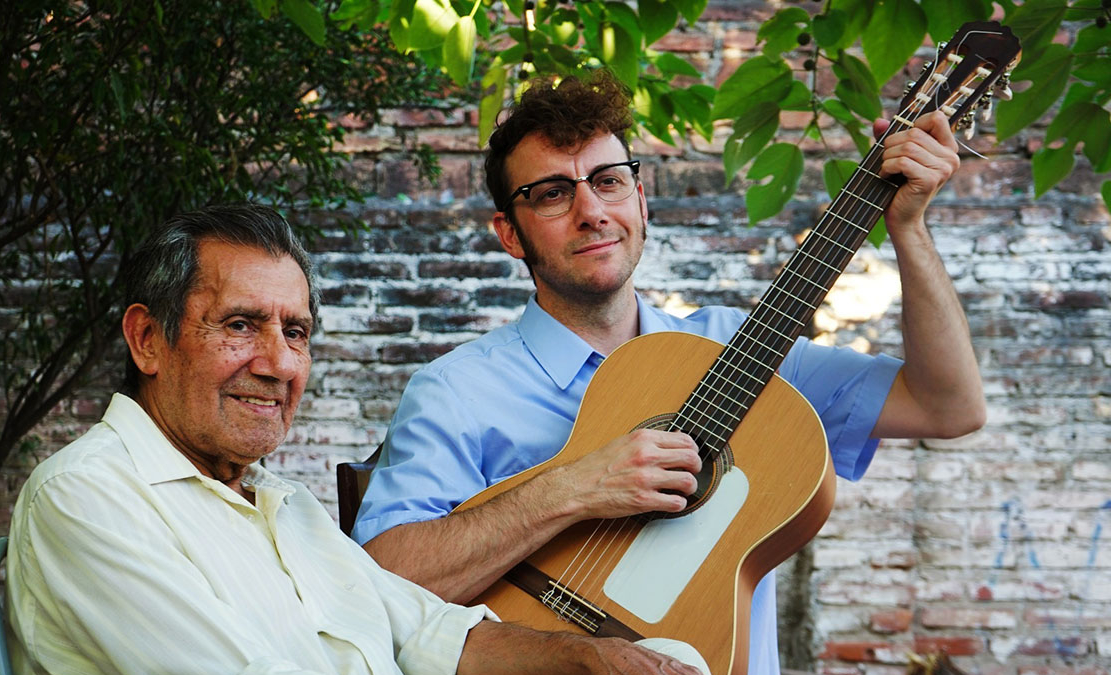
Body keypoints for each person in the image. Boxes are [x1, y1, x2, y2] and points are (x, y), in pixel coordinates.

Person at [351, 71, 987, 674]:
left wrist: (909, 228)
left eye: (608, 180)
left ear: (640, 198)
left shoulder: (743, 349)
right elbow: (376, 587)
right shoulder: (457, 391)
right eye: (551, 193)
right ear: (510, 234)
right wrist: (575, 487)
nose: (591, 211)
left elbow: (948, 407)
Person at [5, 203, 707, 675]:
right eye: (241, 324)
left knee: (669, 657)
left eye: (297, 333)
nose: (279, 363)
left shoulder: (281, 502)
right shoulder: (88, 495)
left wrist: (583, 658)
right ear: (148, 340)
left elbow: (426, 627)